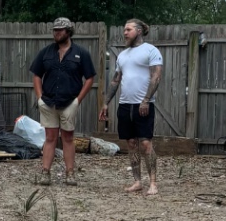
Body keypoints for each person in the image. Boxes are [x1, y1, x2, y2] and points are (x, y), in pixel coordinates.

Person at [29, 17, 96, 185]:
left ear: (68, 31)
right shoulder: (46, 52)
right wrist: (39, 98)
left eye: (60, 30)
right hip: (48, 102)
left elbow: (90, 78)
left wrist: (78, 100)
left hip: (69, 102)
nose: (56, 33)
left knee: (68, 138)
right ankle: (45, 172)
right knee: (50, 137)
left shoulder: (81, 53)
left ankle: (70, 173)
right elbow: (36, 75)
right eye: (55, 30)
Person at [101, 18, 163, 196]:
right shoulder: (122, 55)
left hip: (143, 104)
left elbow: (156, 77)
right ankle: (137, 182)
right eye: (124, 30)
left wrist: (146, 100)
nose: (125, 33)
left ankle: (153, 183)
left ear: (139, 31)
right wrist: (106, 103)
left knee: (145, 143)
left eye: (128, 29)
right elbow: (115, 81)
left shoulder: (151, 50)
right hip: (125, 105)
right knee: (131, 143)